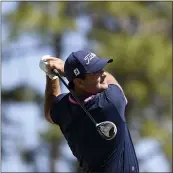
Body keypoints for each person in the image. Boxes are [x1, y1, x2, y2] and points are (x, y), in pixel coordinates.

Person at [40, 50, 139, 172]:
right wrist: (65, 69)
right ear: (79, 82)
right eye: (95, 72)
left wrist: (52, 76)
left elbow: (49, 110)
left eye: (101, 68)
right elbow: (111, 80)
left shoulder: (63, 109)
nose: (103, 74)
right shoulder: (111, 101)